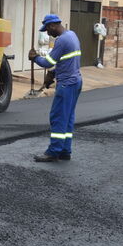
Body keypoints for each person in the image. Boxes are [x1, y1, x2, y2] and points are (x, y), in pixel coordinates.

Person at [28, 14, 83, 163]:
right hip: (76, 81)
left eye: (47, 29)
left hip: (67, 84)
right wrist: (53, 73)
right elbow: (66, 60)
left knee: (58, 117)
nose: (47, 33)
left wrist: (34, 57)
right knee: (68, 117)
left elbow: (48, 62)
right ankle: (65, 151)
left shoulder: (62, 40)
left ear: (52, 26)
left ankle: (53, 151)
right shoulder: (72, 35)